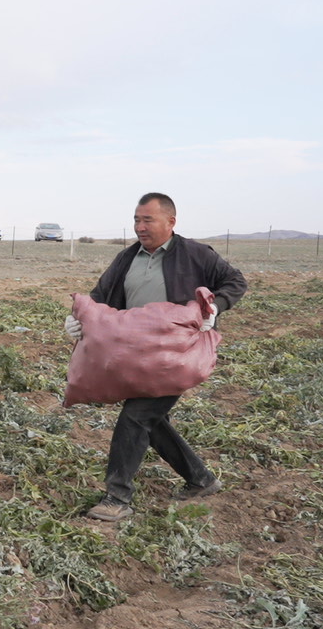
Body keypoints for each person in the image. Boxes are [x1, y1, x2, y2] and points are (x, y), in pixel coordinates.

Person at [64, 192, 247, 522]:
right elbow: (100, 297)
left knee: (136, 416)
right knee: (153, 420)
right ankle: (201, 479)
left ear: (170, 221)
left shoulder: (195, 254)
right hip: (136, 356)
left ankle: (117, 497)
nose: (140, 227)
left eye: (147, 220)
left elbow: (235, 281)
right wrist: (79, 320)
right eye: (136, 220)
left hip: (177, 356)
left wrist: (214, 308)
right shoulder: (126, 258)